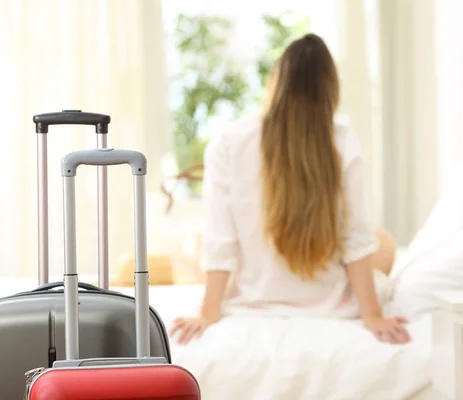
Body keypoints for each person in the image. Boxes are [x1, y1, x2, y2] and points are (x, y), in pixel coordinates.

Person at [169, 33, 410, 346]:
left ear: (275, 83)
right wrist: (373, 315)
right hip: (326, 299)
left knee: (197, 243)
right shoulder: (342, 140)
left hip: (252, 297)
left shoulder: (229, 140)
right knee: (385, 243)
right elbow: (356, 239)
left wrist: (207, 312)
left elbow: (220, 242)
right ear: (330, 90)